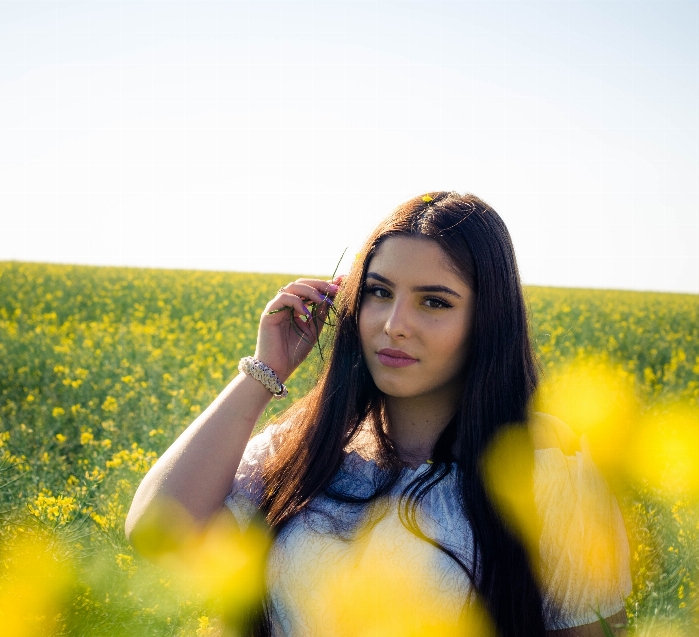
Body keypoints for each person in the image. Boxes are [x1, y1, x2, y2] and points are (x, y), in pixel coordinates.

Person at [126, 192, 632, 636]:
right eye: (379, 292)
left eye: (434, 302)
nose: (394, 325)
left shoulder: (543, 472)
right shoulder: (306, 451)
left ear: (487, 320)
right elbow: (157, 532)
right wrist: (264, 371)